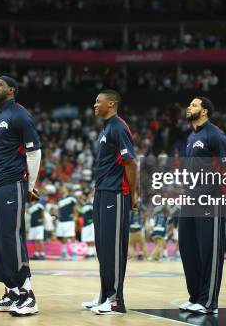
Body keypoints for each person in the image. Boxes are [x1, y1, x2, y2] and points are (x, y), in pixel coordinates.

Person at [0, 76, 41, 317]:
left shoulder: (20, 115)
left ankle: (28, 295)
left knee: (11, 238)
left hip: (12, 183)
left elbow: (34, 152)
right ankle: (12, 291)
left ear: (11, 90)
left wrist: (30, 187)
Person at [82, 89, 137, 315]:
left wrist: (133, 195)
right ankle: (106, 294)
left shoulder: (118, 127)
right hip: (102, 191)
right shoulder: (106, 128)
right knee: (103, 248)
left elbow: (131, 163)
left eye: (98, 101)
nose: (94, 105)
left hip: (116, 192)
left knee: (113, 248)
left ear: (111, 104)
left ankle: (116, 300)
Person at [178, 97, 226, 315]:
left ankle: (209, 301)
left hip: (210, 198)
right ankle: (195, 297)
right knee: (187, 247)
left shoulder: (215, 135)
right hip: (190, 198)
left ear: (205, 111)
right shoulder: (192, 135)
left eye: (194, 105)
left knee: (209, 250)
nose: (189, 107)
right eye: (189, 104)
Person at [55, 185, 78, 260]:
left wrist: (75, 216)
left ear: (67, 189)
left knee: (71, 235)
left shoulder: (71, 197)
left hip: (69, 219)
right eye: (61, 187)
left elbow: (75, 208)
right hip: (61, 220)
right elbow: (59, 210)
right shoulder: (59, 199)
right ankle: (64, 253)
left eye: (63, 187)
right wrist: (57, 218)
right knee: (63, 236)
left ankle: (74, 252)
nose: (62, 188)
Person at [79, 192, 96, 260]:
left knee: (91, 239)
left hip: (90, 223)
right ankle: (89, 253)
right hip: (85, 224)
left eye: (82, 196)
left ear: (85, 197)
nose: (81, 198)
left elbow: (94, 213)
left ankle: (92, 253)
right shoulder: (83, 206)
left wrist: (92, 221)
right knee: (87, 240)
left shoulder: (90, 204)